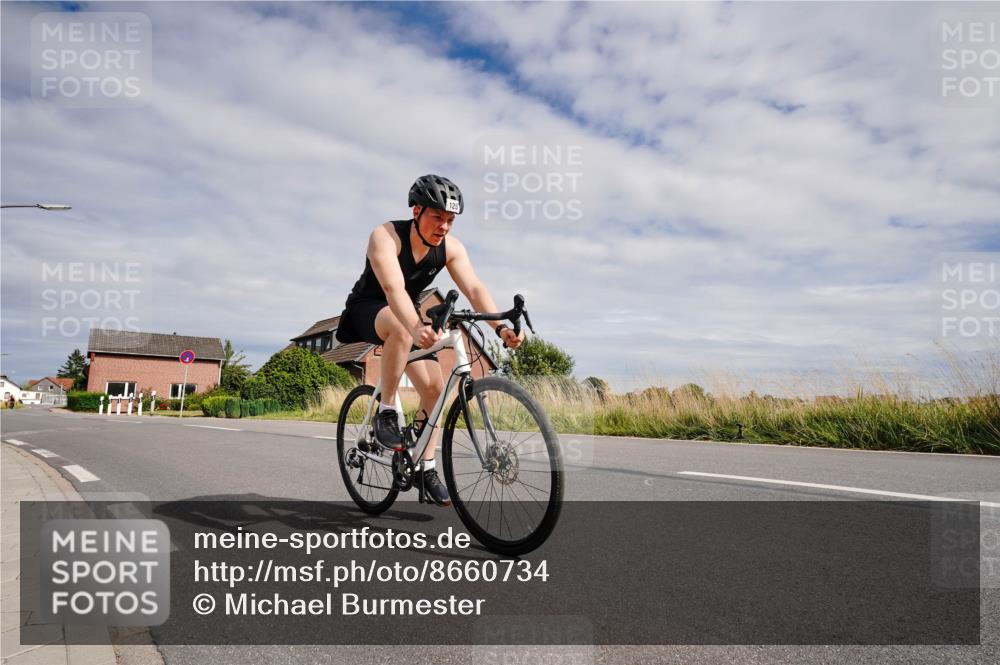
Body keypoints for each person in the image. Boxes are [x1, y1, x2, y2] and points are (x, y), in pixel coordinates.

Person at [335, 175, 525, 506]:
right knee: (400, 324)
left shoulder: (450, 248)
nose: (444, 227)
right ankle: (387, 411)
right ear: (417, 210)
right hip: (369, 309)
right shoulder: (386, 236)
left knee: (437, 391)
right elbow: (393, 290)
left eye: (450, 220)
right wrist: (413, 324)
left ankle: (426, 465)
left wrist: (499, 328)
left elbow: (475, 289)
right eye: (437, 217)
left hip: (405, 314)